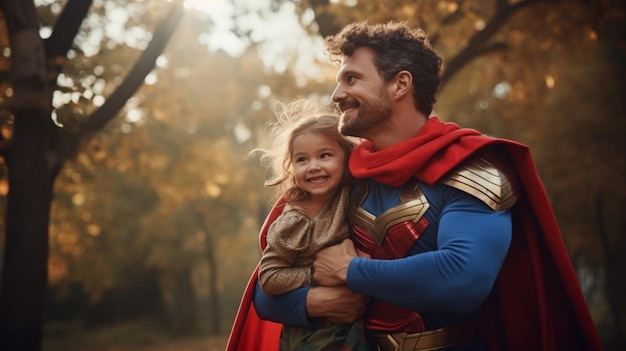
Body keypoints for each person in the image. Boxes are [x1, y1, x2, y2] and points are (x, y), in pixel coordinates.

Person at [226, 21, 603, 351]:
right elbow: (267, 292)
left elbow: (462, 278)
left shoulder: (471, 170)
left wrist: (350, 271)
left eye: (352, 78)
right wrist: (315, 303)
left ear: (400, 84)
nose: (336, 95)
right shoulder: (344, 176)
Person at [233, 99, 368, 351]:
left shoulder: (349, 193)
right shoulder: (295, 221)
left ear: (346, 157)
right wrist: (318, 275)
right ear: (291, 167)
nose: (314, 166)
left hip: (353, 329)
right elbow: (270, 277)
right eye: (302, 160)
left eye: (325, 155)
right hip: (312, 337)